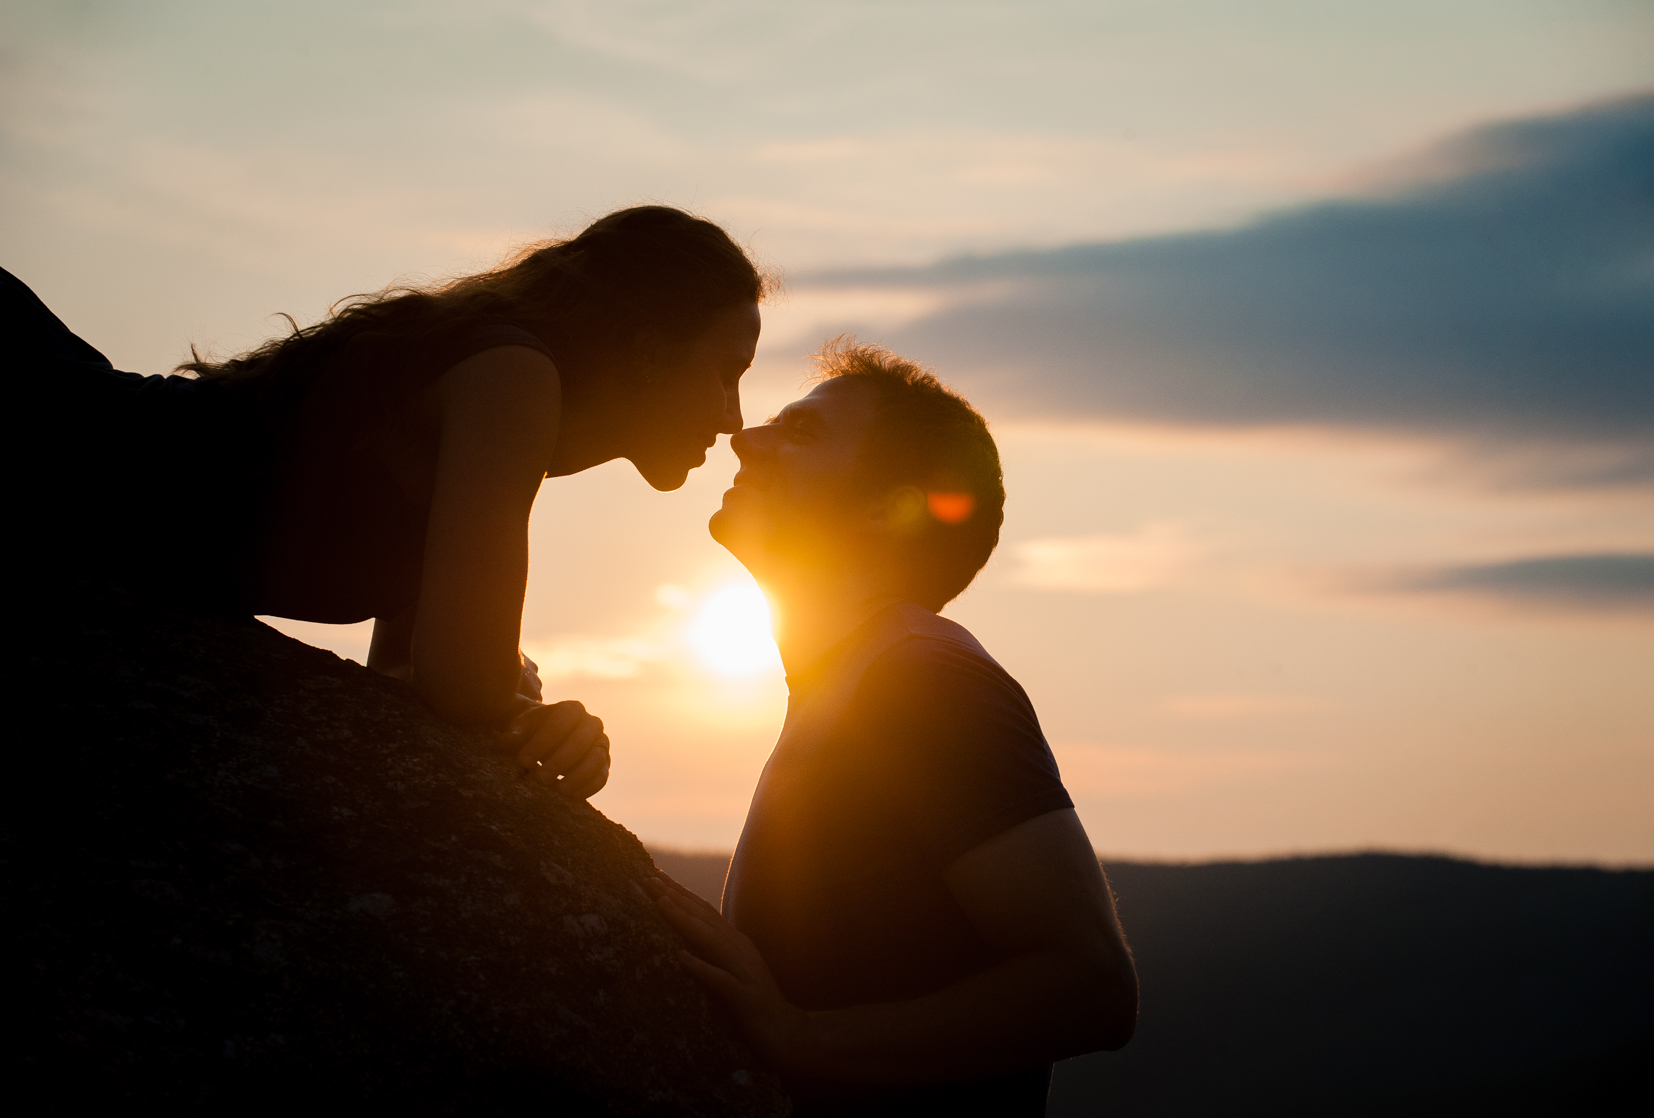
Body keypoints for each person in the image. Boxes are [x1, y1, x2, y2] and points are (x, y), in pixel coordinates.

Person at [12, 206, 770, 795]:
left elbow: (414, 684)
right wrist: (536, 710)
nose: (733, 416)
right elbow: (462, 685)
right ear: (646, 353)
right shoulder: (513, 377)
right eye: (726, 372)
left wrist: (504, 690)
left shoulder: (505, 406)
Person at [646, 341, 1137, 1115]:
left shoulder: (923, 681)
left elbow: (1090, 985)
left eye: (800, 434)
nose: (745, 438)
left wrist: (805, 1039)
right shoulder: (853, 680)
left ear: (886, 510)